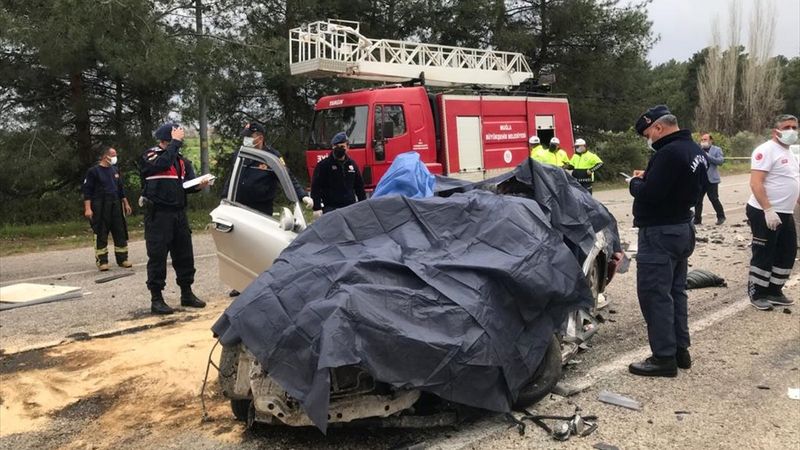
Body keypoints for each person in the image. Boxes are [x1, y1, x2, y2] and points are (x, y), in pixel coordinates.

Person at [627, 105, 707, 377]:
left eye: (648, 133)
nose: (648, 139)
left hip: (660, 232)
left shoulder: (668, 153)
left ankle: (663, 358)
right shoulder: (693, 149)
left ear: (658, 128)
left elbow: (651, 193)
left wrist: (635, 184)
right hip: (681, 227)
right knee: (675, 292)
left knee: (655, 295)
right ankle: (680, 350)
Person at [139, 123, 208, 315]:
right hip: (158, 215)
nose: (179, 143)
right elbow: (161, 165)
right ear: (165, 140)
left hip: (179, 214)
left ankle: (186, 292)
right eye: (175, 139)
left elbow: (186, 185)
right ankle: (157, 299)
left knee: (185, 255)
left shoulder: (182, 161)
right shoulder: (151, 156)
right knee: (158, 256)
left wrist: (198, 186)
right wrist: (175, 144)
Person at [746, 114, 799, 310]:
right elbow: (756, 183)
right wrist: (768, 209)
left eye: (794, 127)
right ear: (775, 131)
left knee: (787, 251)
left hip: (785, 213)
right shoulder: (766, 150)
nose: (792, 131)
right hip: (763, 210)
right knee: (764, 253)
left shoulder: (789, 153)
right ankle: (757, 293)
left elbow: (793, 183)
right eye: (787, 127)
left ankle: (774, 290)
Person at [224, 122, 312, 216]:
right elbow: (231, 177)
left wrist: (303, 196)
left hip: (261, 208)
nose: (246, 139)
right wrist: (224, 197)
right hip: (238, 205)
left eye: (249, 136)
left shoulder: (272, 156)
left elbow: (287, 178)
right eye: (245, 136)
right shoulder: (240, 153)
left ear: (260, 138)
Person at [82, 145, 132, 271]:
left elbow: (121, 189)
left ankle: (123, 259)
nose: (116, 157)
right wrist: (88, 208)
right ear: (106, 156)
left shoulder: (115, 170)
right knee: (101, 232)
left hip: (116, 204)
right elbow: (87, 191)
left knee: (120, 231)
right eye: (113, 155)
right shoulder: (93, 171)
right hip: (100, 205)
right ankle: (102, 261)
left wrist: (126, 203)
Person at [310, 132, 366, 216]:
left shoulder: (352, 165)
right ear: (332, 147)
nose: (339, 149)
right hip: (331, 209)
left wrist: (363, 205)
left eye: (342, 147)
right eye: (336, 147)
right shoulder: (324, 165)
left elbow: (359, 186)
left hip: (350, 208)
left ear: (348, 147)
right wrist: (317, 207)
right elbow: (316, 187)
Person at [694, 133, 726, 225]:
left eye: (705, 139)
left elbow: (720, 161)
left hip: (712, 179)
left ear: (711, 140)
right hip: (700, 179)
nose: (703, 141)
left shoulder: (717, 149)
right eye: (702, 140)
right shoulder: (697, 149)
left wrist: (707, 156)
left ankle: (721, 216)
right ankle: (697, 219)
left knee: (714, 198)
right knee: (698, 200)